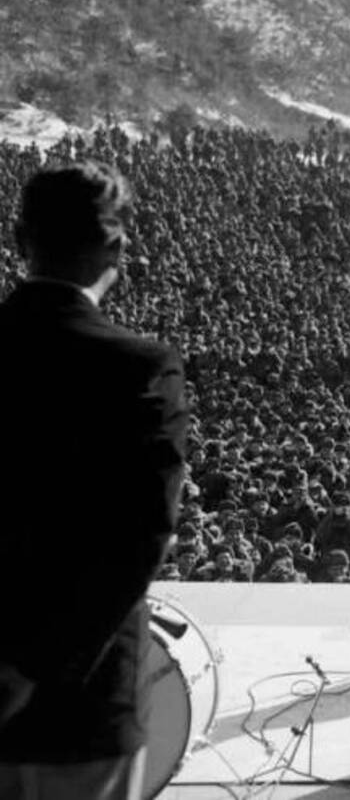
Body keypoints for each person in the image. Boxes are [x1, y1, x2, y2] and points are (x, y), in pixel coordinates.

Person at [0, 161, 188, 799]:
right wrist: (30, 669)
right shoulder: (139, 367)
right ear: (118, 249)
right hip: (78, 714)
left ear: (20, 239)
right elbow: (140, 540)